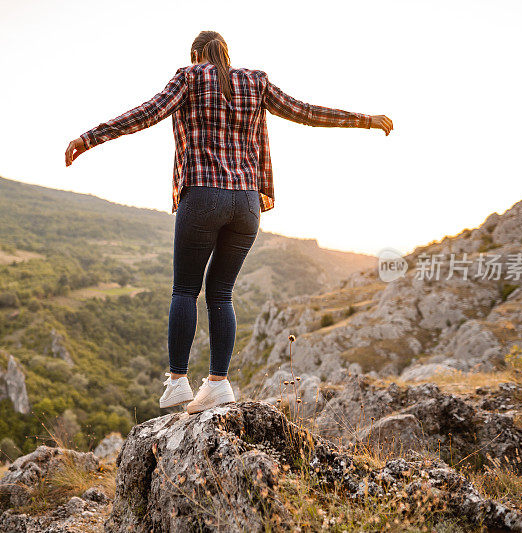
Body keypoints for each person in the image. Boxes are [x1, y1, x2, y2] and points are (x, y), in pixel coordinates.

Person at [65, 31, 392, 414]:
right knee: (221, 292)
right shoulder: (256, 81)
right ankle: (218, 383)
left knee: (185, 289)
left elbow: (145, 113)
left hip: (203, 194)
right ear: (226, 53)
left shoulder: (189, 77)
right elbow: (306, 112)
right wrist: (365, 120)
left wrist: (89, 138)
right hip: (247, 203)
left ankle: (177, 382)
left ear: (195, 54)